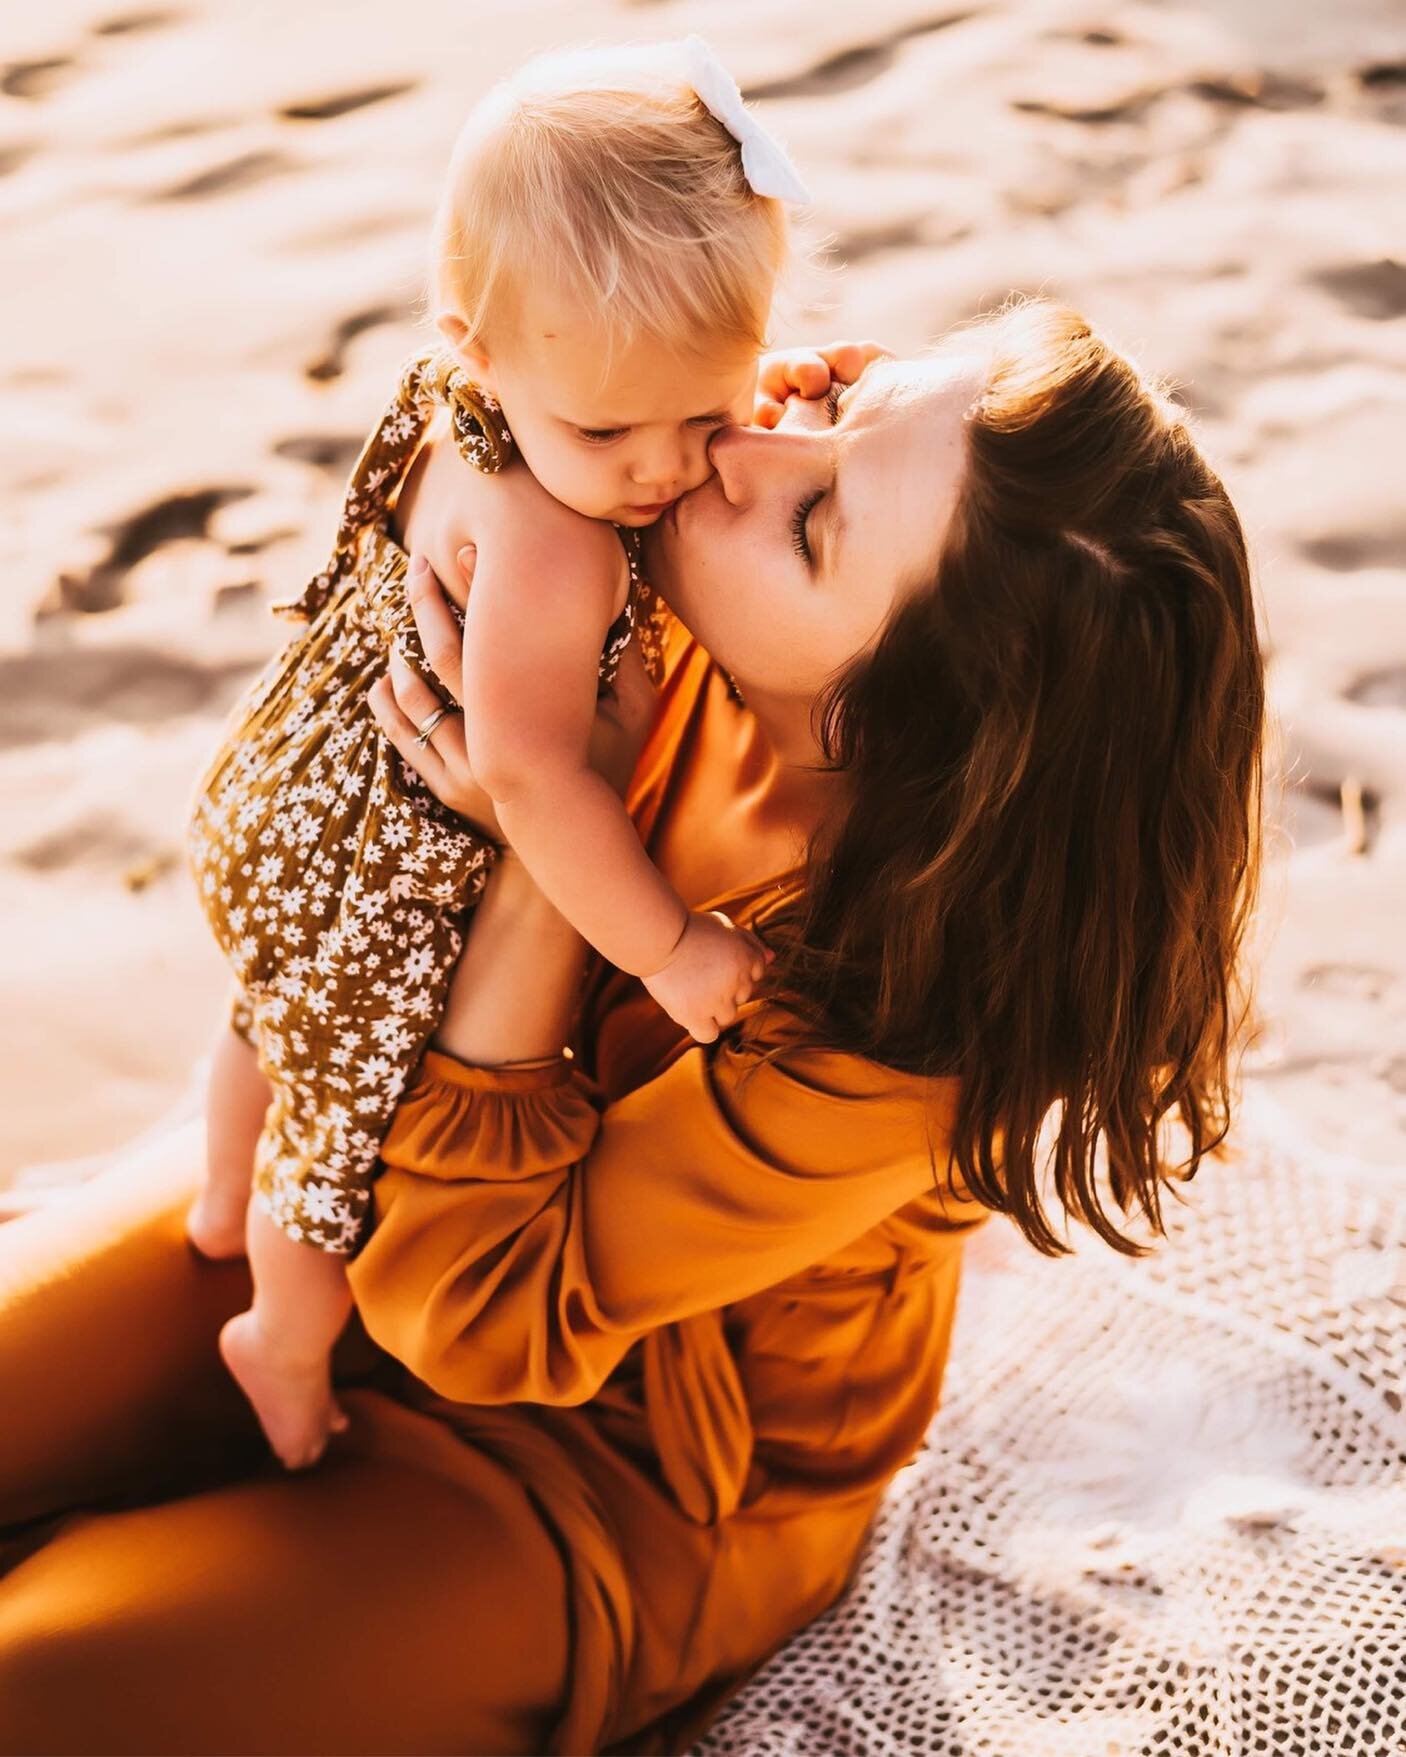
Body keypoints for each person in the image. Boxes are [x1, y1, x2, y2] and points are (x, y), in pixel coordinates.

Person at [0, 302, 1265, 1756]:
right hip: (343, 1175)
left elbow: (476, 1316)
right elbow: (494, 363)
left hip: (611, 1463)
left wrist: (553, 841)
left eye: (815, 521)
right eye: (842, 393)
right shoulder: (669, 542)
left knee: (34, 1678)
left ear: (885, 726)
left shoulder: (902, 1028)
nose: (748, 450)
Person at [184, 38, 800, 1468]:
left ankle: (216, 1197)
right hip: (390, 844)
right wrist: (665, 948)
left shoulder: (465, 396)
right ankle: (276, 1330)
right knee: (342, 1107)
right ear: (479, 345)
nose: (658, 466)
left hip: (290, 793)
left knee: (266, 1001)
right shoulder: (553, 532)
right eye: (608, 427)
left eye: (708, 412)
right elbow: (529, 773)